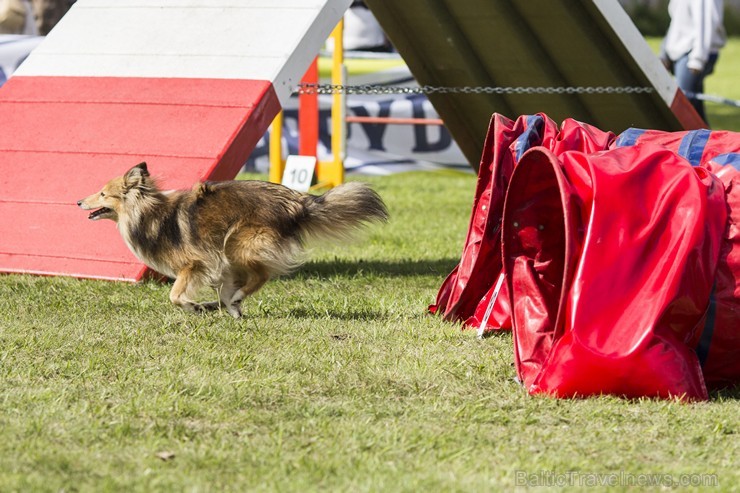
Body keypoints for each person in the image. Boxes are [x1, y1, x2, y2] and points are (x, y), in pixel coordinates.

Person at [660, 0, 726, 124]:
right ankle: (709, 141)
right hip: (679, 52)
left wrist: (697, 59)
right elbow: (676, 23)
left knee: (683, 109)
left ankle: (702, 141)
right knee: (694, 110)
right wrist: (665, 53)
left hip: (693, 54)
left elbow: (706, 24)